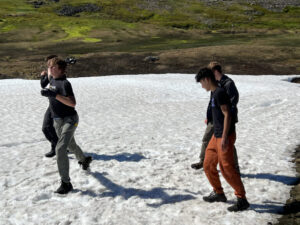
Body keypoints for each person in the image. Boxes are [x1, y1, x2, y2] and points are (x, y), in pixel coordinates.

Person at [195, 68, 249, 212]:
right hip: (216, 135)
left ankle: (242, 199)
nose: (202, 86)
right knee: (207, 164)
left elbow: (227, 114)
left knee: (226, 168)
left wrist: (225, 136)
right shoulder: (214, 93)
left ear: (206, 79)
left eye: (201, 83)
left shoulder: (219, 93)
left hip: (225, 136)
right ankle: (219, 193)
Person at [40, 57, 92, 194]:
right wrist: (47, 92)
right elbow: (48, 85)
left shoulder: (65, 83)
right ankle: (84, 159)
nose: (50, 70)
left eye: (53, 67)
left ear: (60, 70)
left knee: (61, 148)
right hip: (57, 120)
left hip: (70, 119)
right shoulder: (52, 79)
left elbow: (72, 103)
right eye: (49, 67)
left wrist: (54, 95)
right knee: (70, 144)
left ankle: (66, 183)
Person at [191, 62, 240, 174]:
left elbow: (232, 103)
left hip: (225, 120)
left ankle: (235, 167)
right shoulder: (215, 84)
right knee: (206, 139)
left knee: (227, 144)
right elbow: (212, 102)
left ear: (215, 71)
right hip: (214, 120)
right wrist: (209, 116)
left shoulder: (228, 84)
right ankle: (203, 161)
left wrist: (226, 119)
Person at [40, 55, 59, 157]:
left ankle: (57, 148)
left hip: (57, 104)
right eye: (48, 64)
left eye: (50, 64)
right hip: (52, 103)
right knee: (49, 128)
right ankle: (58, 147)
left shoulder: (59, 76)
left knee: (47, 127)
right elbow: (43, 84)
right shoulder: (50, 72)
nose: (48, 66)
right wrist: (43, 76)